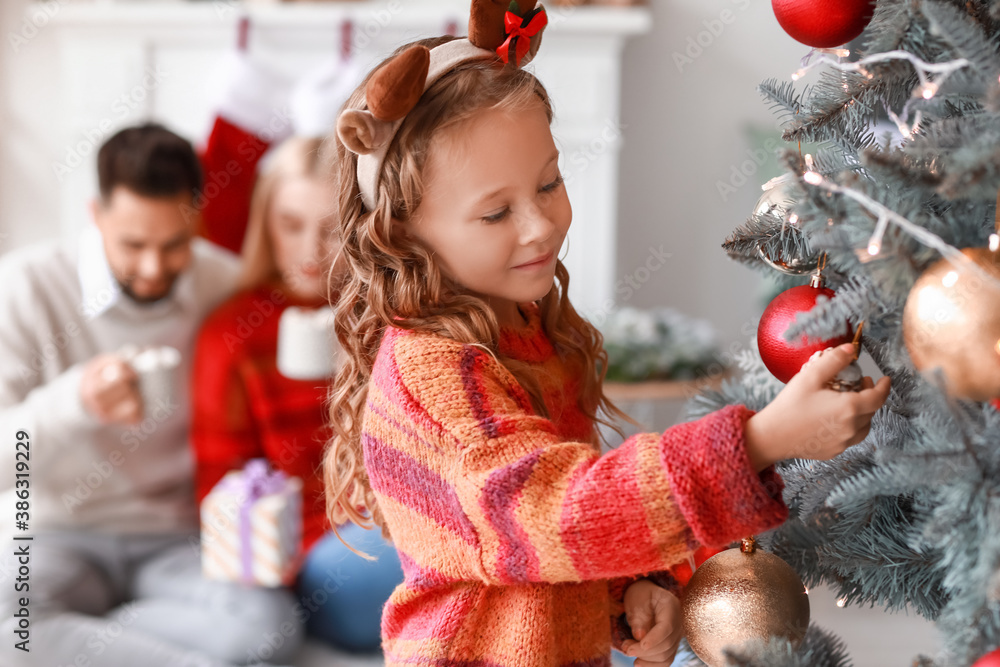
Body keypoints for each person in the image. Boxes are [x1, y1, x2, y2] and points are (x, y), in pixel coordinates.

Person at [321, 3, 893, 667]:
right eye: (496, 211)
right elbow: (552, 514)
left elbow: (575, 503)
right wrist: (762, 440)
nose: (540, 225)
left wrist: (631, 584)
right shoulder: (432, 374)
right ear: (405, 233)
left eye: (549, 182)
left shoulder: (526, 327)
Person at [0, 123, 303, 667]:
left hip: (177, 541)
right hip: (56, 536)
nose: (152, 268)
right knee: (10, 629)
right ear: (96, 215)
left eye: (175, 244)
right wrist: (75, 404)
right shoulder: (25, 287)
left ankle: (94, 638)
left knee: (272, 632)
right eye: (133, 244)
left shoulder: (223, 283)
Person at [191, 136, 403, 653]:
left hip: (402, 523)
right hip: (312, 557)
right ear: (266, 223)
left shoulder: (386, 316)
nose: (310, 251)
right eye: (290, 225)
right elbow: (220, 493)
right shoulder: (233, 336)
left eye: (330, 230)